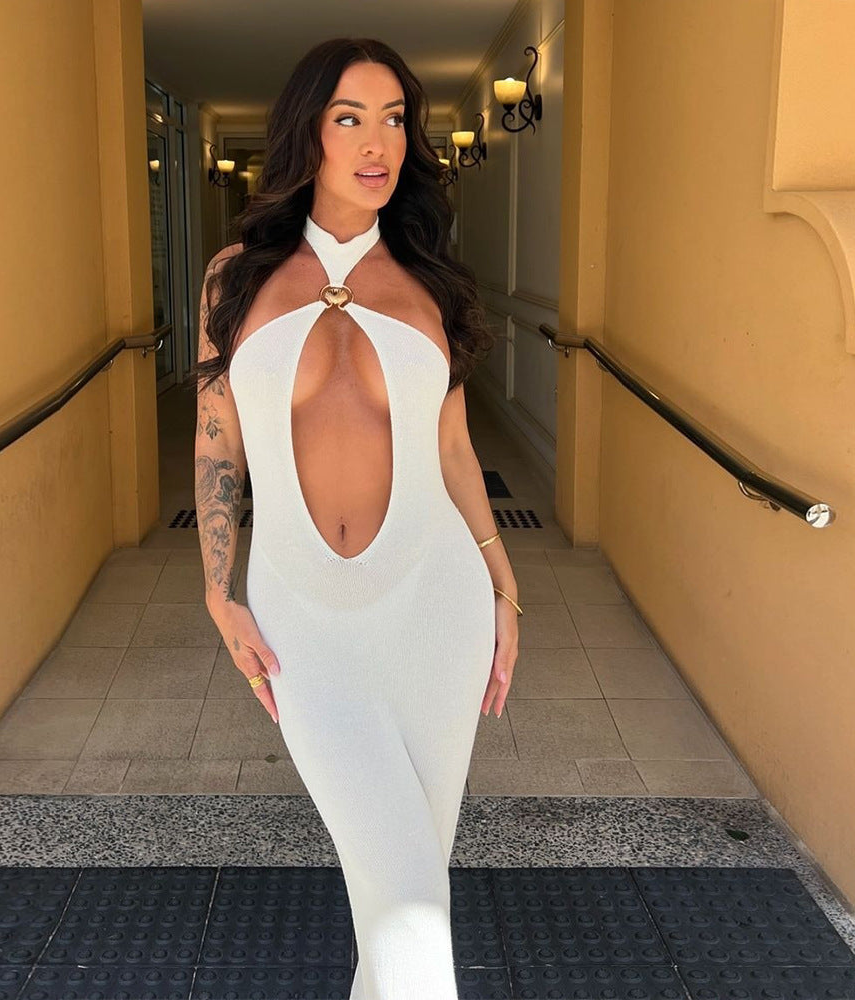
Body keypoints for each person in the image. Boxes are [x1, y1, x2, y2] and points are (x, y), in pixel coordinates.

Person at [191, 36, 522, 1000]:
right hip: (303, 623)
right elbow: (217, 440)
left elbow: (452, 448)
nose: (377, 143)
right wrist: (217, 591)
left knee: (404, 889)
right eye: (349, 119)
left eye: (394, 119)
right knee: (408, 898)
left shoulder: (430, 280)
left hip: (438, 609)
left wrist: (503, 584)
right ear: (309, 133)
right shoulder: (235, 277)